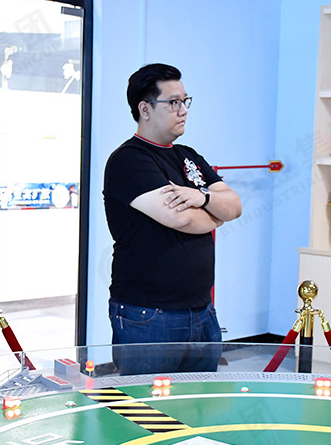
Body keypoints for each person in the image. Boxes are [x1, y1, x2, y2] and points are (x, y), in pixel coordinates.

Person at [103, 63, 242, 375]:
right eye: (173, 102)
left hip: (201, 310)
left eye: (185, 101)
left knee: (198, 401)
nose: (183, 110)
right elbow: (181, 219)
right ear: (145, 109)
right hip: (148, 314)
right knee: (147, 401)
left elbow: (234, 205)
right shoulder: (129, 160)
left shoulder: (187, 155)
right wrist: (215, 214)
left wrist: (202, 198)